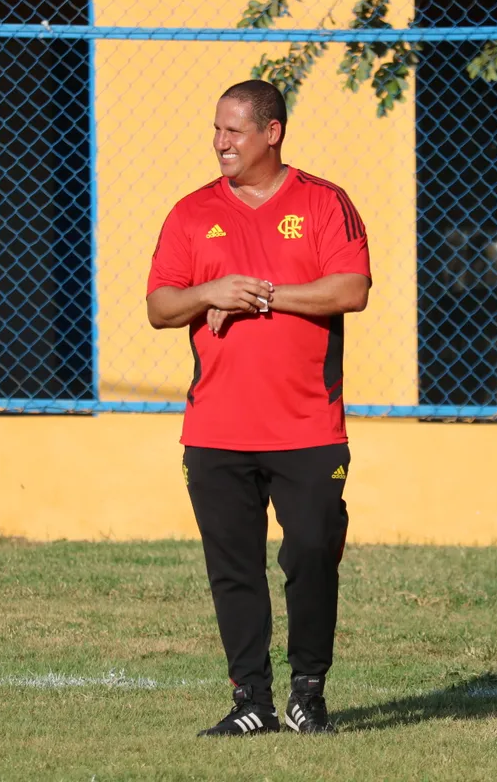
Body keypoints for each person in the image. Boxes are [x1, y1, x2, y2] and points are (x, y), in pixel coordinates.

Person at [145, 79, 372, 737]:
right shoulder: (190, 214)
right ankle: (252, 702)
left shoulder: (325, 203)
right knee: (233, 569)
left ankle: (309, 692)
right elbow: (161, 305)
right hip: (216, 429)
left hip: (308, 427)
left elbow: (351, 289)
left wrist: (259, 295)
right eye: (216, 130)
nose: (221, 144)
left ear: (272, 132)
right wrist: (210, 289)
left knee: (309, 553)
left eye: (234, 131)